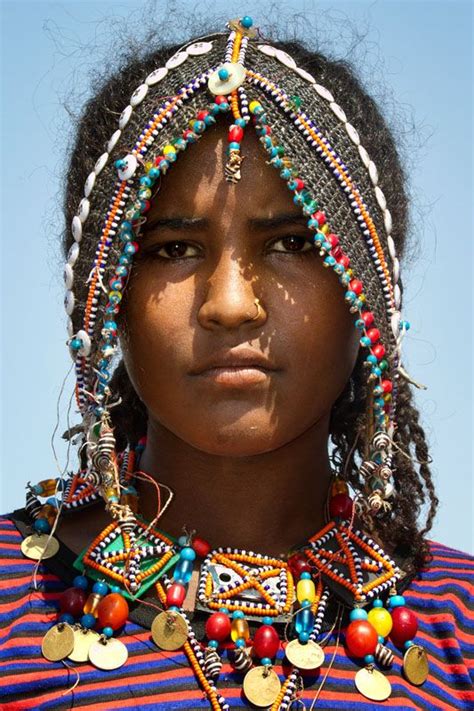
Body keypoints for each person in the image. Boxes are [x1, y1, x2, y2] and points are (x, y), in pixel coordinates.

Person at [1, 15, 472, 711]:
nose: (228, 304)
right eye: (173, 249)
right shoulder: (18, 602)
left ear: (367, 296)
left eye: (290, 242)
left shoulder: (454, 625)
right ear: (107, 302)